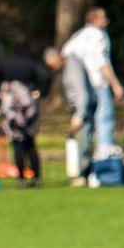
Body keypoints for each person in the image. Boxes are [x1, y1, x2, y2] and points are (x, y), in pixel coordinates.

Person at [60, 6, 124, 182]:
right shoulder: (98, 36)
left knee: (85, 128)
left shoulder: (77, 37)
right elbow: (101, 62)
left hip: (82, 91)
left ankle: (84, 171)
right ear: (94, 19)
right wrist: (115, 84)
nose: (106, 21)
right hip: (99, 85)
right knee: (104, 124)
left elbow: (65, 59)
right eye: (103, 18)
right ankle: (105, 169)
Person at [0, 43, 53, 187]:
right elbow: (46, 76)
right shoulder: (31, 63)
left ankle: (21, 179)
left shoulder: (5, 63)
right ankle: (36, 178)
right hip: (28, 106)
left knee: (17, 143)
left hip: (11, 106)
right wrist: (41, 92)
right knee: (30, 143)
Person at [44, 46, 94, 186]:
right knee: (80, 141)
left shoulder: (73, 68)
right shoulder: (65, 69)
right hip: (76, 109)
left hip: (83, 110)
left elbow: (82, 94)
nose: (53, 69)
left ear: (59, 57)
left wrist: (79, 115)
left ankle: (85, 175)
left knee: (84, 142)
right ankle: (84, 174)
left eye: (53, 65)